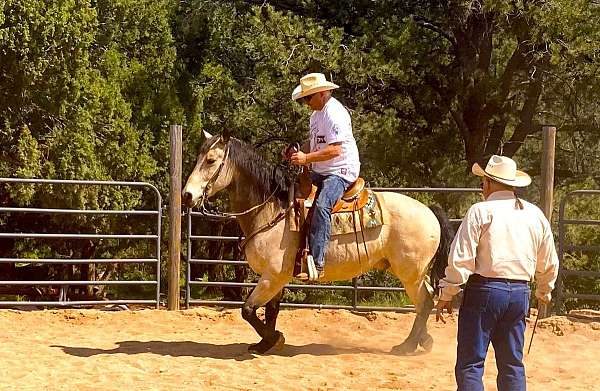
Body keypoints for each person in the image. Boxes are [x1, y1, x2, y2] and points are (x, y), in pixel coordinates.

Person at [435, 155, 559, 391]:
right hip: (520, 293)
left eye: (483, 181)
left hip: (485, 291)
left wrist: (447, 292)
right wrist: (544, 291)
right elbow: (548, 260)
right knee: (512, 363)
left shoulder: (480, 211)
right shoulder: (535, 215)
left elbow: (461, 258)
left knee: (471, 364)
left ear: (489, 183)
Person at [288, 72, 360, 281]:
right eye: (304, 99)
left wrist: (306, 158)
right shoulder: (316, 115)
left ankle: (318, 262)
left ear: (321, 94)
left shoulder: (334, 113)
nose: (305, 103)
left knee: (322, 206)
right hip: (321, 170)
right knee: (292, 198)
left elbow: (335, 150)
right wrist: (297, 152)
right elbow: (315, 143)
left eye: (307, 98)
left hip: (340, 171)